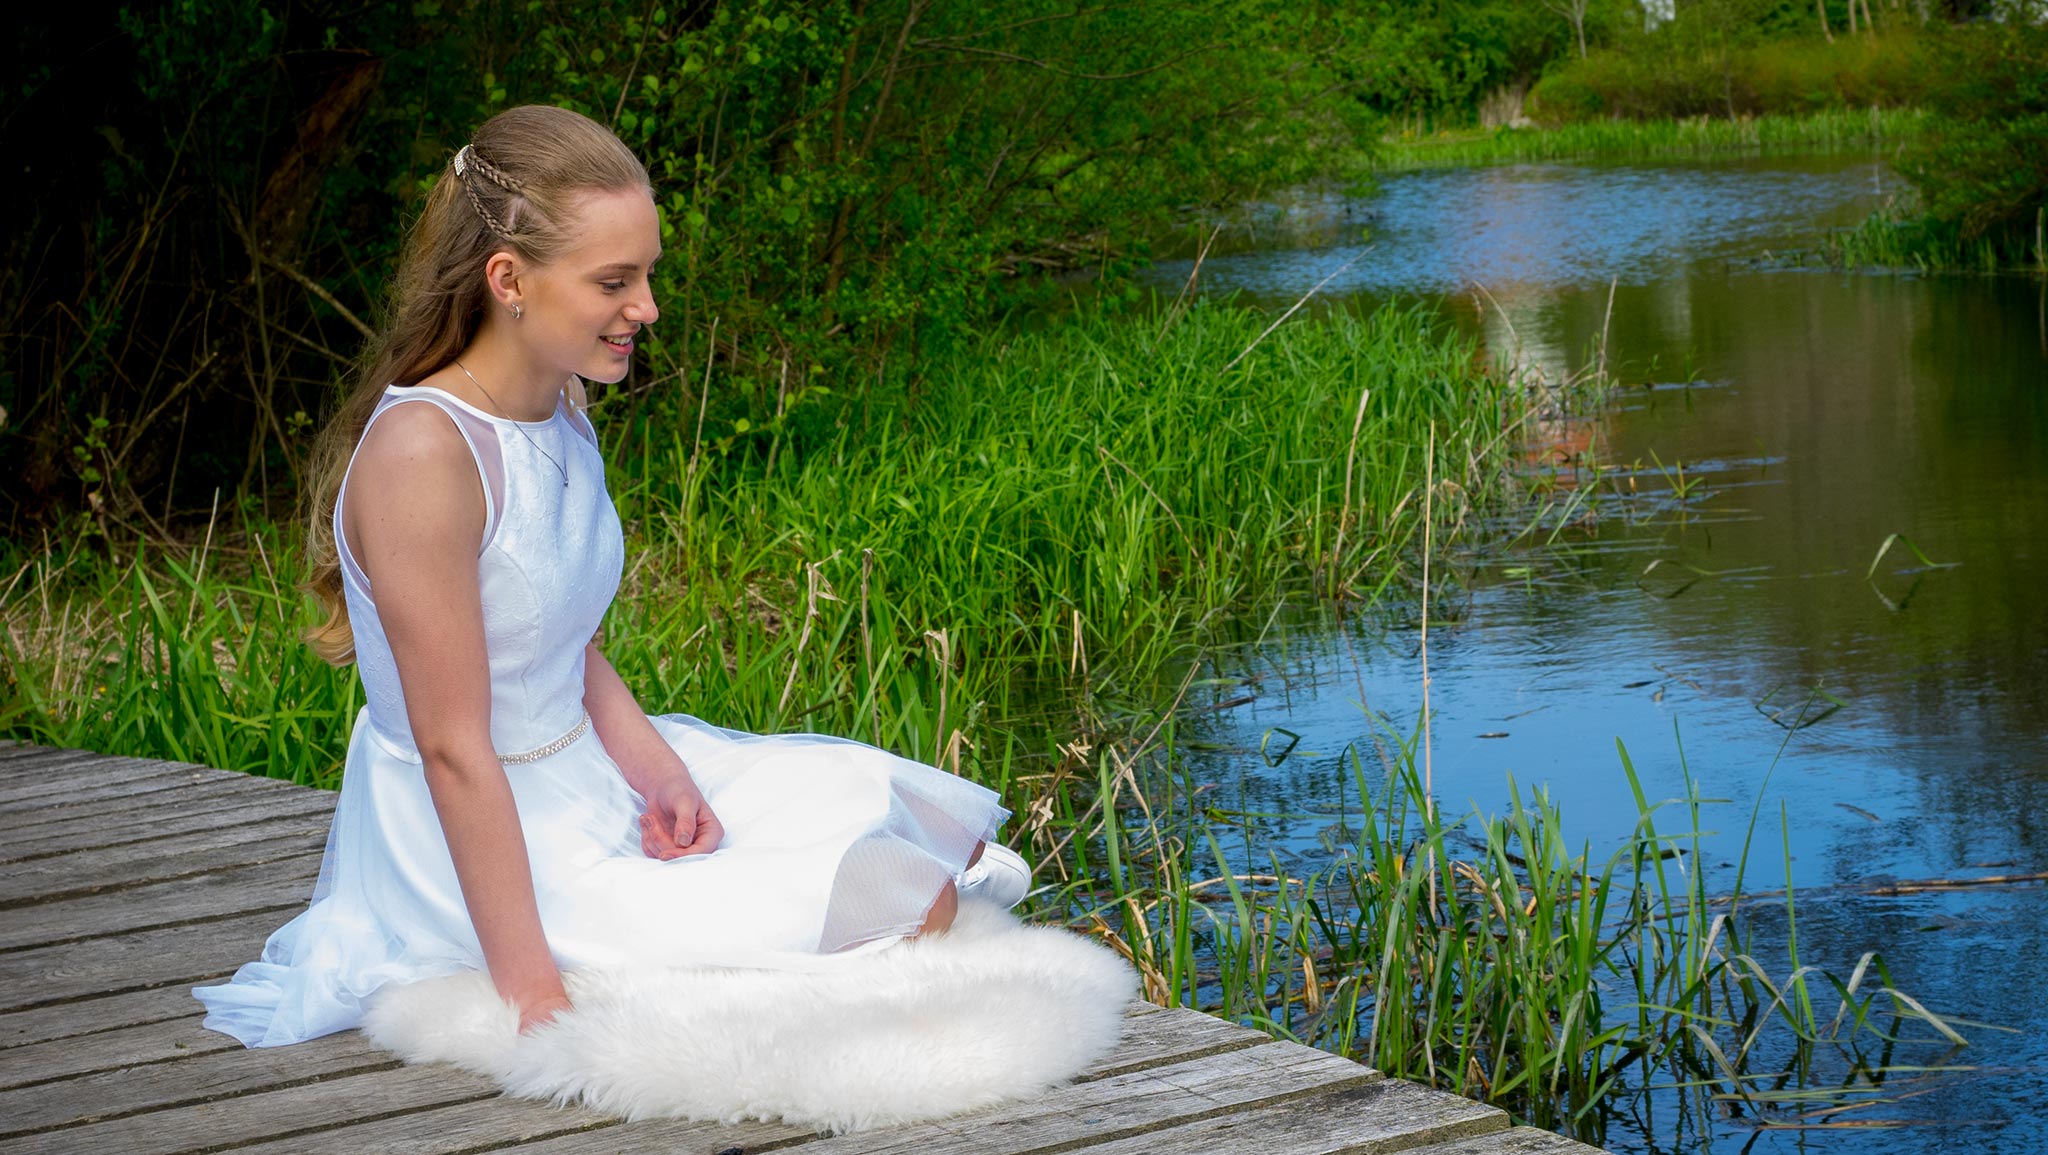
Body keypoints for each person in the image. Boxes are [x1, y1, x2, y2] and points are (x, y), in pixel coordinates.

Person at [194, 104, 1030, 1047]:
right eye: (614, 281)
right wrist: (534, 995)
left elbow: (561, 645)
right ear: (508, 279)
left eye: (648, 274)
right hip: (478, 824)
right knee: (898, 910)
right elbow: (453, 751)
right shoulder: (424, 453)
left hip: (580, 765)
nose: (648, 307)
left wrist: (660, 772)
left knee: (895, 817)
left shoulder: (562, 407)